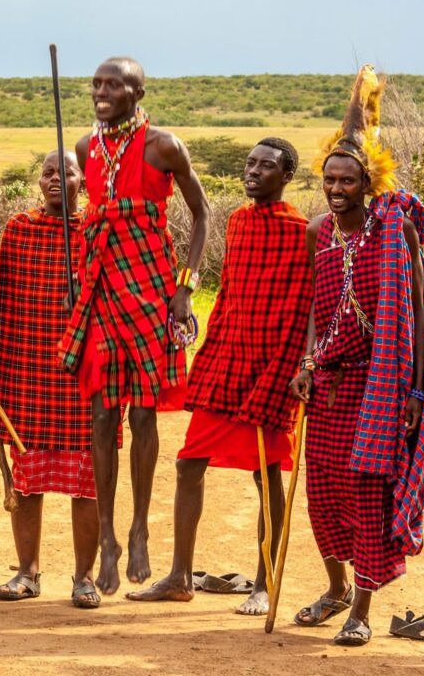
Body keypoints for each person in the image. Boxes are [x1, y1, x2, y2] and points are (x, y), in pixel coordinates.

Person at [289, 65, 424, 646]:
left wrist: (414, 389)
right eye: (329, 177)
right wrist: (306, 363)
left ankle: (361, 608)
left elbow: (419, 310)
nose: (335, 187)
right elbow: (313, 308)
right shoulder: (318, 232)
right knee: (323, 492)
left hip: (380, 386)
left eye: (347, 180)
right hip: (330, 383)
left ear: (368, 182)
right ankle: (332, 589)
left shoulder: (393, 229)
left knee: (366, 496)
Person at [127, 138, 312, 614]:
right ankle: (179, 577)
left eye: (266, 166)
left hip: (271, 365)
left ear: (286, 176)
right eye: (250, 163)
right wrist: (208, 349)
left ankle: (265, 583)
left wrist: (292, 370)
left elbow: (302, 307)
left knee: (265, 473)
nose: (254, 171)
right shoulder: (238, 221)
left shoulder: (302, 230)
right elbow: (230, 291)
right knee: (189, 462)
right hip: (227, 355)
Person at [57, 57, 210, 594]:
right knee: (102, 414)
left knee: (144, 414)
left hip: (149, 288)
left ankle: (140, 527)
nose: (102, 91)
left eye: (113, 84)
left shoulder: (163, 145)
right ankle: (107, 535)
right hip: (101, 287)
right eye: (96, 83)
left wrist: (185, 288)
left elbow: (201, 215)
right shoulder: (84, 148)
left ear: (137, 91)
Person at [0, 150, 107, 609]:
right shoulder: (20, 229)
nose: (56, 179)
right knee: (28, 477)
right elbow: (0, 296)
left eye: (67, 172)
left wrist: (83, 302)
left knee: (88, 479)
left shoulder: (100, 231)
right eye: (48, 172)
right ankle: (27, 572)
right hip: (25, 365)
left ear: (85, 180)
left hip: (85, 372)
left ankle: (84, 577)